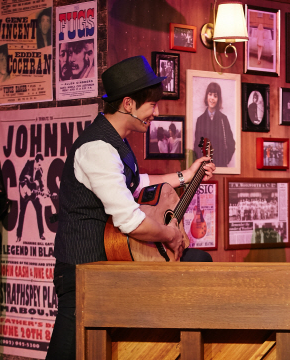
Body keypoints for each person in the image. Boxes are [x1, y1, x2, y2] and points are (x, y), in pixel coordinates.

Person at [46, 56, 215, 360]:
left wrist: (185, 176)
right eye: (151, 104)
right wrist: (169, 234)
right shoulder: (97, 148)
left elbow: (135, 184)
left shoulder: (116, 143)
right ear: (127, 104)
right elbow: (130, 220)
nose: (156, 112)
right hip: (81, 272)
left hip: (106, 269)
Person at [193, 82, 235, 167]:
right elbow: (197, 145)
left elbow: (231, 143)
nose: (212, 98)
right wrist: (202, 162)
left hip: (220, 165)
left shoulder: (224, 119)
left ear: (218, 99)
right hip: (205, 167)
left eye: (215, 96)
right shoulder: (200, 120)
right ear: (206, 96)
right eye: (210, 94)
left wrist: (225, 160)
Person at [16, 153, 46, 242]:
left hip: (33, 193)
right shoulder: (29, 165)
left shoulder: (40, 170)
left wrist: (44, 191)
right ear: (36, 161)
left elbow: (41, 183)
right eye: (39, 164)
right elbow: (21, 178)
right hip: (24, 192)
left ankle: (41, 234)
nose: (39, 167)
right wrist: (26, 190)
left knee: (39, 208)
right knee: (22, 212)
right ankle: (18, 236)